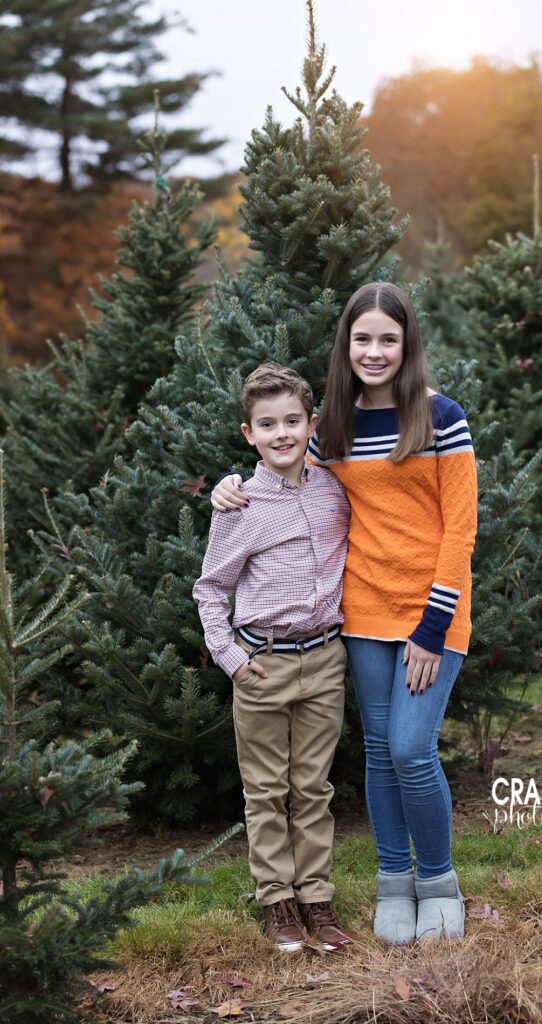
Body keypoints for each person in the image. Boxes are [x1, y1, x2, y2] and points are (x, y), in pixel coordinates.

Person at [211, 282, 478, 945]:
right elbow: (282, 471)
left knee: (412, 749)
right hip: (360, 615)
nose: (375, 351)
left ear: (406, 343)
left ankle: (437, 882)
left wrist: (431, 627)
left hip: (431, 616)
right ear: (346, 345)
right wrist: (226, 486)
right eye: (363, 338)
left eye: (389, 338)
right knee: (381, 758)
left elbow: (459, 531)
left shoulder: (441, 417)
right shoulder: (332, 425)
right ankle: (393, 881)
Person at [193, 363, 354, 953]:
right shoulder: (240, 505)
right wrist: (230, 657)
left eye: (292, 420)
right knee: (266, 791)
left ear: (311, 424)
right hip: (263, 664)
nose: (282, 433)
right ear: (249, 433)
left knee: (313, 788)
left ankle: (317, 899)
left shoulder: (334, 487)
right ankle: (278, 904)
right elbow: (210, 589)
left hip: (324, 660)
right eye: (268, 424)